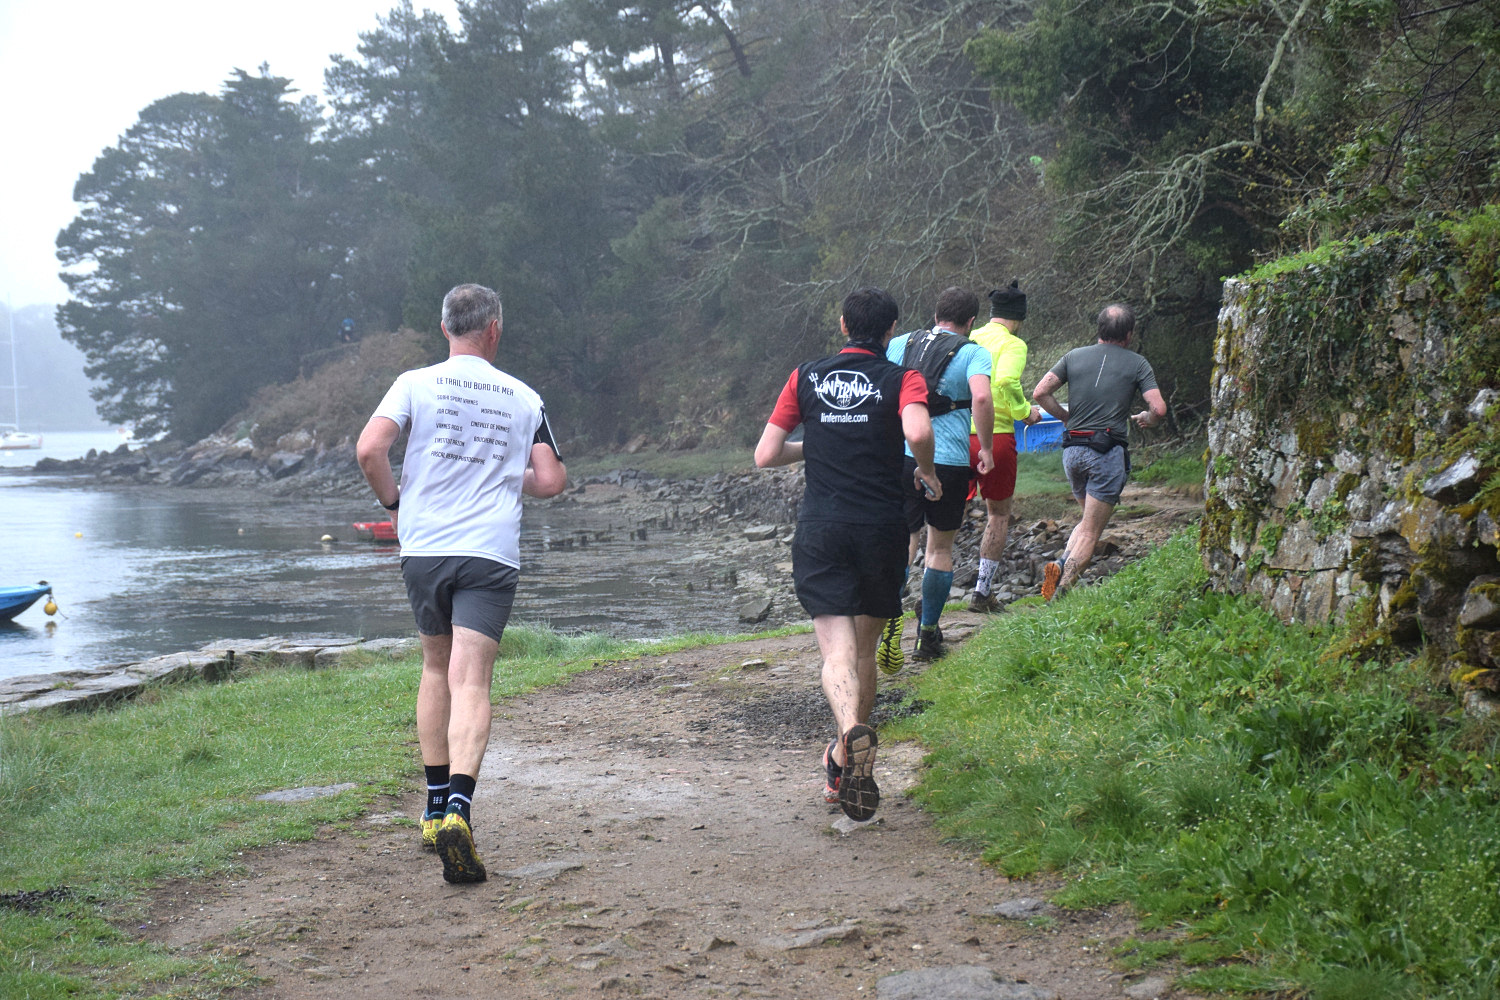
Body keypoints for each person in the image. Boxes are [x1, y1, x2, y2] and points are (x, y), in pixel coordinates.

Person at [356, 283, 567, 884]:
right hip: (489, 553)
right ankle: (459, 810)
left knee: (434, 668)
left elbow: (370, 449)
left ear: (444, 328)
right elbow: (551, 481)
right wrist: (503, 472)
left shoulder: (413, 383)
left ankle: (431, 809)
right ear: (494, 329)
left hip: (425, 548)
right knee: (471, 678)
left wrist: (394, 503)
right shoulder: (525, 397)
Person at [753, 287, 940, 822]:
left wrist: (818, 443)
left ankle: (847, 740)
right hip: (881, 530)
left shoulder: (806, 376)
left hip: (823, 530)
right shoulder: (903, 377)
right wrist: (926, 471)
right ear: (891, 331)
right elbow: (918, 429)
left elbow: (766, 454)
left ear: (842, 325)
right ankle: (843, 756)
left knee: (837, 654)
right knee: (864, 651)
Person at [884, 287, 994, 661]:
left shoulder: (900, 343)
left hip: (901, 455)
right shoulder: (973, 352)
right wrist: (987, 449)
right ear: (971, 322)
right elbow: (981, 397)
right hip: (948, 461)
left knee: (903, 539)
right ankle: (927, 635)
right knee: (939, 548)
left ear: (935, 316)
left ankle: (888, 618)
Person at [1031, 303, 1165, 599]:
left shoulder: (1073, 356)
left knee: (1086, 522)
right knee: (1092, 531)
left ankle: (1057, 572)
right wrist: (1148, 418)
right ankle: (1061, 587)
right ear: (1129, 334)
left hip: (1073, 451)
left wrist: (1066, 418)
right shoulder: (1138, 363)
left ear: (1099, 329)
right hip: (1105, 451)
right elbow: (1158, 408)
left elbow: (1040, 392)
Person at [966, 281, 1043, 612]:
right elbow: (1007, 381)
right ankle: (982, 592)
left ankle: (928, 593)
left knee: (946, 516)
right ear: (1018, 317)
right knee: (998, 514)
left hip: (958, 436)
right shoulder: (1013, 344)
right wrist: (1025, 412)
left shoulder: (970, 337)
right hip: (995, 436)